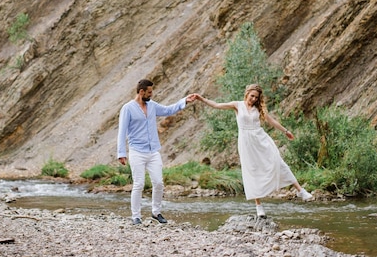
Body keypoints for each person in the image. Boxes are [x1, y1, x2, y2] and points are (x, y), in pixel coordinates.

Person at [194, 84, 312, 218]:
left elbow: (271, 120)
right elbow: (216, 105)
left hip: (261, 139)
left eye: (256, 97)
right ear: (247, 94)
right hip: (246, 143)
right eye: (252, 96)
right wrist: (201, 98)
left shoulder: (258, 109)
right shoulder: (237, 105)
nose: (254, 99)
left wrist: (286, 131)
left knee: (278, 161)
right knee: (252, 170)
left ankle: (300, 190)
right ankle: (258, 206)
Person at [117, 79, 197, 225]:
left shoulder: (152, 106)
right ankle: (136, 216)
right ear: (141, 92)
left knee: (159, 183)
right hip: (137, 152)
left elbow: (168, 110)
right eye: (149, 92)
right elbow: (122, 131)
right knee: (138, 184)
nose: (151, 94)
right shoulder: (127, 108)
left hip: (153, 151)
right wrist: (121, 153)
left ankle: (156, 212)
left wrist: (185, 100)